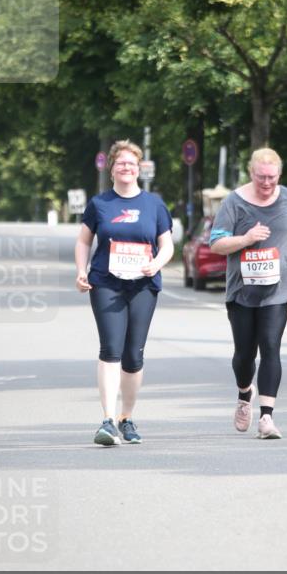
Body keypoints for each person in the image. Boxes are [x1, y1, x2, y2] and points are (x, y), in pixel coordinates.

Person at [75, 140, 174, 446]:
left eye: (132, 164)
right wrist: (81, 271)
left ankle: (126, 417)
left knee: (134, 355)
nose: (126, 168)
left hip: (143, 285)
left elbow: (167, 245)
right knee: (111, 349)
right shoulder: (100, 204)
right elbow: (83, 242)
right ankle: (107, 420)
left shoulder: (154, 204)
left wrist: (155, 264)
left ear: (139, 168)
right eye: (121, 164)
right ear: (112, 168)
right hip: (106, 282)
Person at [209, 148, 287, 440]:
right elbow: (216, 243)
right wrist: (246, 239)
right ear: (251, 173)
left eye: (271, 177)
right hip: (243, 290)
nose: (266, 183)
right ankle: (245, 393)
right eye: (260, 177)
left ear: (279, 175)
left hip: (278, 289)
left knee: (270, 346)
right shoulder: (235, 202)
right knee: (244, 354)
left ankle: (267, 417)